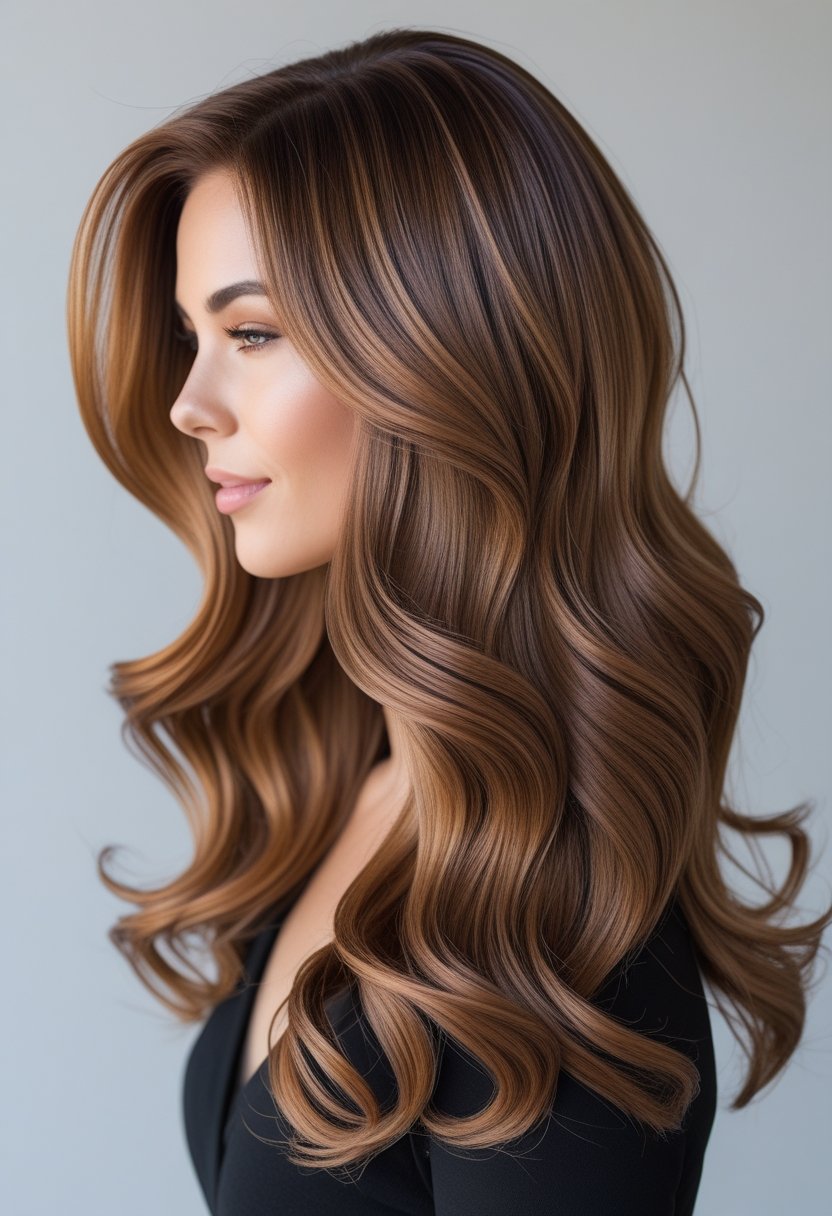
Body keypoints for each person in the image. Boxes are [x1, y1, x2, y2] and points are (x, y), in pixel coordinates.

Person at [66, 27, 832, 1215]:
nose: (186, 403)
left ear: (445, 357)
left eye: (252, 333)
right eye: (192, 335)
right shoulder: (369, 788)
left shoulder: (555, 933)